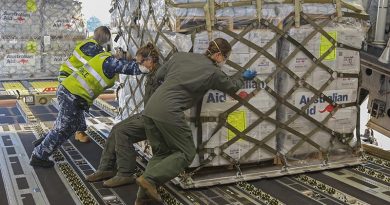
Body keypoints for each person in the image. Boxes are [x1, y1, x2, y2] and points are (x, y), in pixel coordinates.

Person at [136, 38, 257, 203]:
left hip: (150, 108)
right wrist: (244, 77)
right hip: (169, 111)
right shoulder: (213, 72)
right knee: (186, 153)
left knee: (162, 153)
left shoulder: (180, 57)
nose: (224, 61)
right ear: (219, 55)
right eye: (226, 57)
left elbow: (158, 75)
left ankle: (143, 197)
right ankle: (149, 180)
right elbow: (232, 87)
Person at [29, 48, 150, 168]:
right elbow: (128, 68)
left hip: (71, 92)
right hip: (73, 94)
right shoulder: (110, 62)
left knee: (70, 126)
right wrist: (146, 67)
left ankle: (44, 143)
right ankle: (38, 156)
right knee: (63, 128)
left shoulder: (103, 57)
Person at [85, 43, 161, 188]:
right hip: (148, 114)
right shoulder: (152, 73)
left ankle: (125, 174)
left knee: (122, 131)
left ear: (150, 60)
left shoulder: (159, 75)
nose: (138, 66)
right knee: (116, 128)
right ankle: (106, 168)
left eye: (140, 63)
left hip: (156, 119)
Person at [60, 26, 111, 143]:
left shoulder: (89, 43)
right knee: (76, 105)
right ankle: (75, 132)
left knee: (76, 106)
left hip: (70, 75)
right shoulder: (93, 47)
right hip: (69, 76)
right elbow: (105, 59)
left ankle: (74, 131)